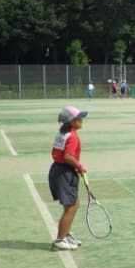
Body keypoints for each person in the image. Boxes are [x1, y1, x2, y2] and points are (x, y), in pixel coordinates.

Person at [49, 106, 88, 251]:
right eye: (79, 118)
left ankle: (65, 234)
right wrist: (79, 167)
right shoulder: (72, 136)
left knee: (73, 204)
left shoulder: (62, 132)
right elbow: (68, 157)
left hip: (58, 170)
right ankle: (59, 240)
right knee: (71, 207)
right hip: (65, 172)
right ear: (72, 122)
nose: (81, 120)